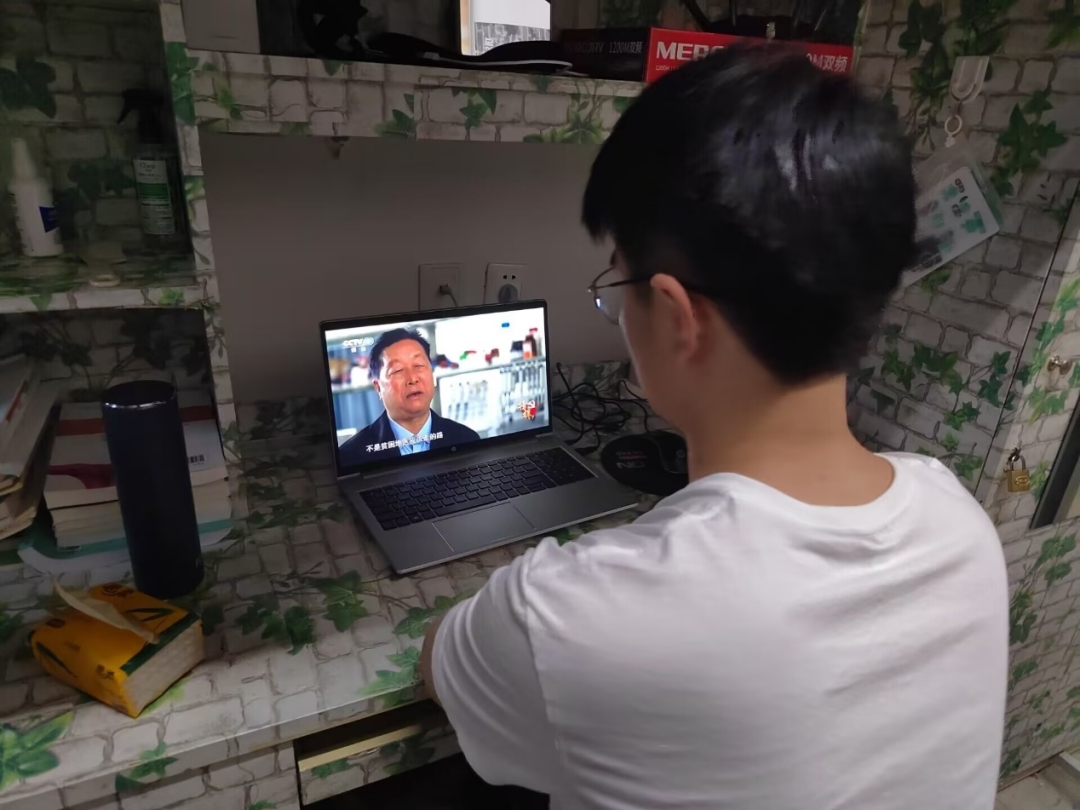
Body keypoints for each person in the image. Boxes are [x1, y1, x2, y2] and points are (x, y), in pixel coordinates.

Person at [420, 47, 1008, 809]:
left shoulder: (569, 618)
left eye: (617, 285)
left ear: (676, 316)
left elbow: (439, 665)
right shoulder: (962, 524)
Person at [338, 328, 480, 466]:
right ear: (378, 387)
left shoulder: (466, 439)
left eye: (419, 365)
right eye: (398, 370)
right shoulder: (351, 456)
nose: (412, 378)